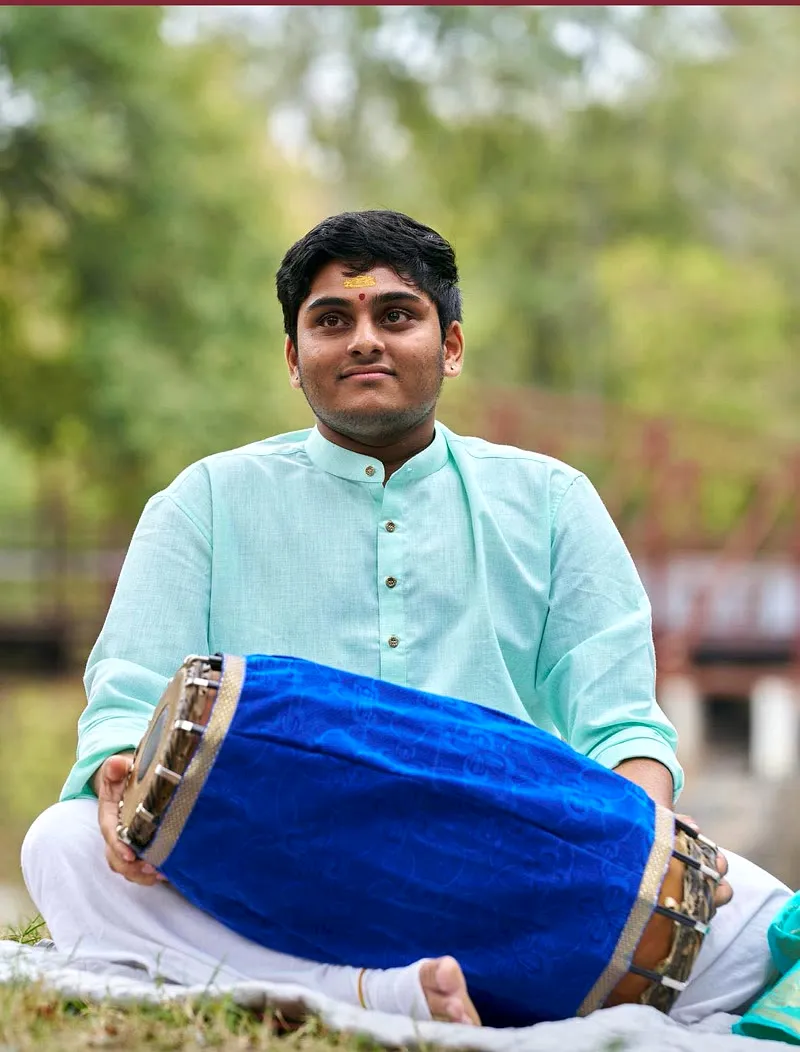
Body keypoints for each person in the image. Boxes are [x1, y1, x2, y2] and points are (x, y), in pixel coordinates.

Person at [21, 210, 791, 1030]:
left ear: (450, 346)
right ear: (293, 359)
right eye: (331, 320)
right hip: (271, 860)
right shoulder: (204, 503)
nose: (364, 341)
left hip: (510, 864)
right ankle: (373, 994)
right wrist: (117, 773)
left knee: (758, 925)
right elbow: (129, 697)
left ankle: (362, 990)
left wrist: (639, 844)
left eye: (396, 315)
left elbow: (621, 722)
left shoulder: (552, 503)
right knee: (61, 846)